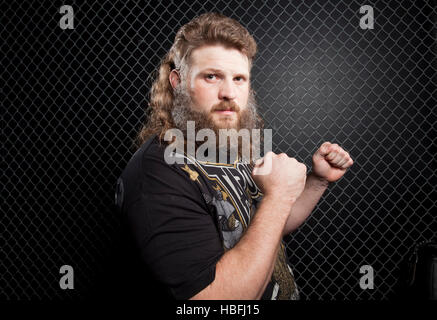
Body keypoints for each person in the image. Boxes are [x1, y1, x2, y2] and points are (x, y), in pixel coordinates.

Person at [115, 12, 354, 300]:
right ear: (177, 81)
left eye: (239, 78)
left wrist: (317, 181)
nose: (229, 92)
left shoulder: (229, 145)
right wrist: (278, 196)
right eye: (212, 76)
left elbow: (267, 224)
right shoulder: (158, 174)